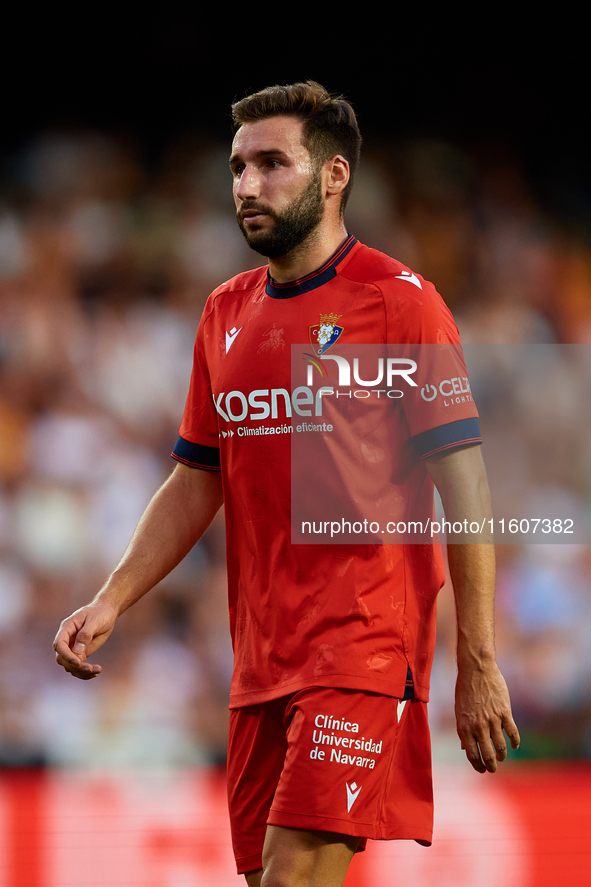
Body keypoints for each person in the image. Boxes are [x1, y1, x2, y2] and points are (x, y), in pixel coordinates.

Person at [53, 81, 520, 887]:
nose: (245, 185)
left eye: (271, 163)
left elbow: (465, 488)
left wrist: (476, 658)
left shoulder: (398, 303)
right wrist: (112, 598)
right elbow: (197, 478)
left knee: (293, 877)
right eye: (237, 166)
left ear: (333, 176)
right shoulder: (224, 313)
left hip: (361, 647)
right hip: (260, 663)